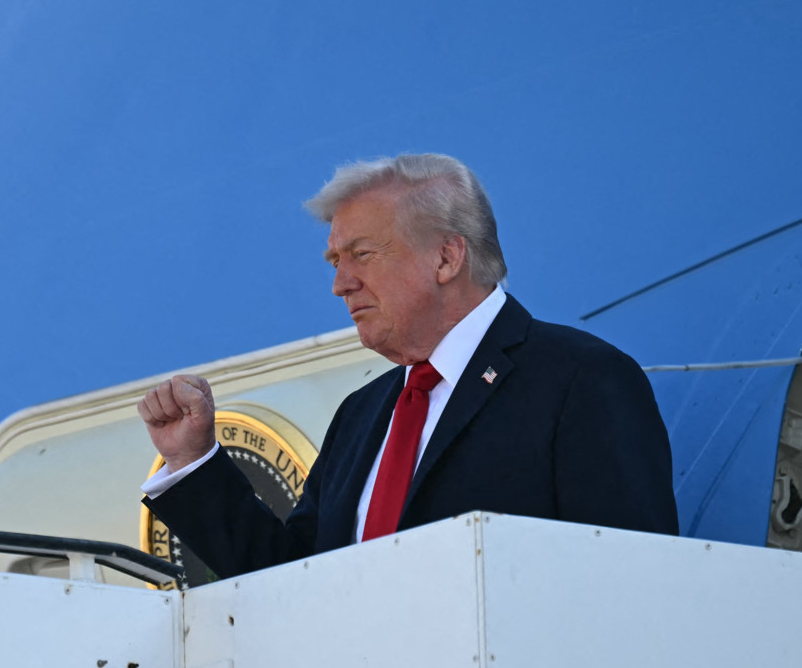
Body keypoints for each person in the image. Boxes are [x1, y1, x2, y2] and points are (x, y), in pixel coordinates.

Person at [137, 153, 676, 579]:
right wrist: (194, 461)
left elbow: (630, 581)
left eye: (362, 255)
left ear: (446, 257)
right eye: (334, 261)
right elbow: (293, 580)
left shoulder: (581, 380)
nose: (340, 283)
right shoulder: (361, 415)